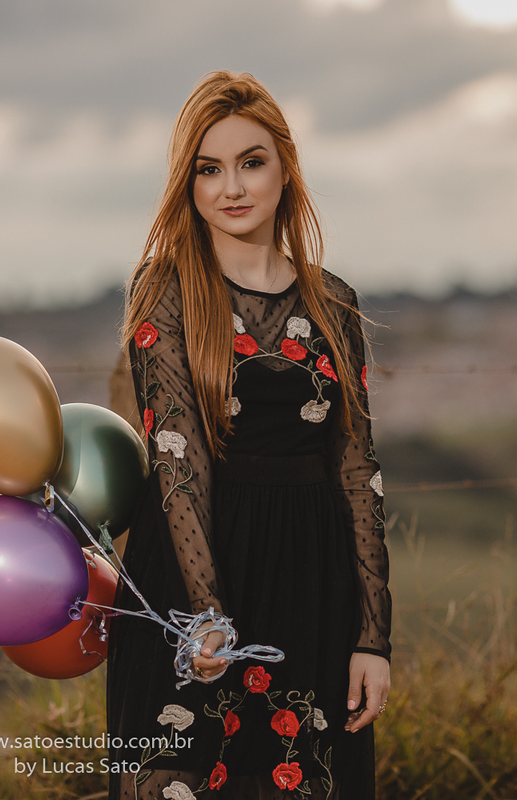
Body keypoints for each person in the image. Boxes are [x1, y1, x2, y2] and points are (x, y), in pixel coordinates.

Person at [105, 71, 392, 799]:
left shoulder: (335, 302)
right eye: (208, 169)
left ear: (285, 169)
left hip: (312, 584)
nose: (230, 186)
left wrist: (372, 637)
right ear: (189, 184)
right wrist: (206, 619)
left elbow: (357, 470)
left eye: (250, 162)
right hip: (194, 578)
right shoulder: (164, 289)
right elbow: (178, 464)